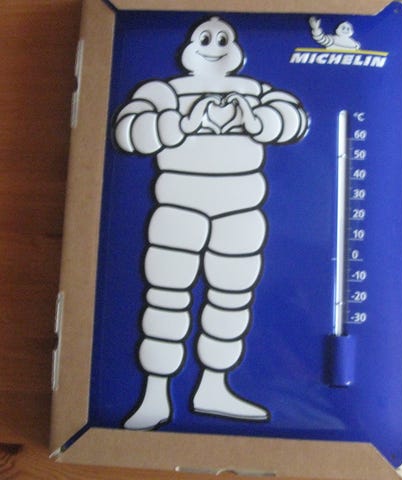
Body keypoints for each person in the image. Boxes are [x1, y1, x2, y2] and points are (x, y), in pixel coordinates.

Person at [113, 16, 308, 430]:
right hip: (178, 209)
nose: (214, 45)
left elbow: (290, 118)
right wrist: (182, 123)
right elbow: (130, 132)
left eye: (223, 39)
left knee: (232, 297)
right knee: (166, 295)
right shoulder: (162, 92)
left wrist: (255, 120)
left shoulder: (255, 92)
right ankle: (155, 394)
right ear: (190, 45)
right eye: (206, 38)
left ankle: (213, 386)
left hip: (240, 212)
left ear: (234, 49)